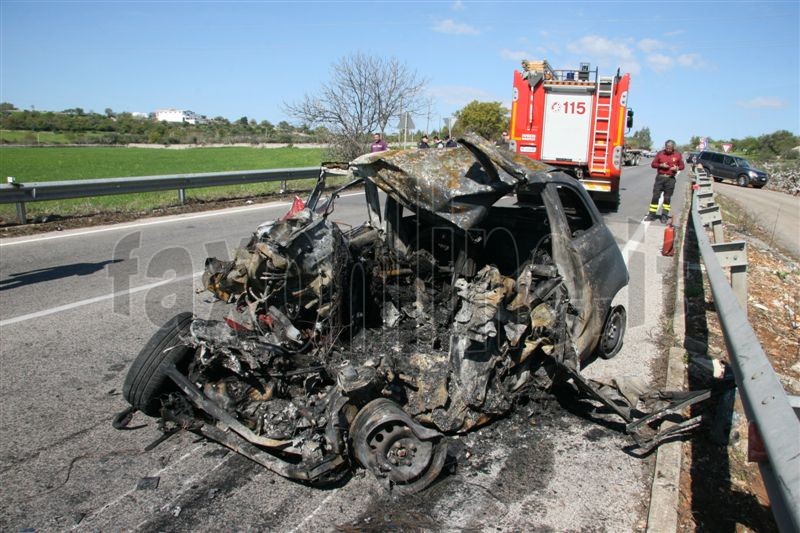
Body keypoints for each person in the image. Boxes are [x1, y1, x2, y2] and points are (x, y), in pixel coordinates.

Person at [646, 140, 684, 222]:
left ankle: (664, 215)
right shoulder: (660, 153)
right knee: (655, 196)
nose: (668, 149)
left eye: (670, 148)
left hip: (670, 179)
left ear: (673, 147)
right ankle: (651, 214)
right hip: (660, 178)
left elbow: (682, 166)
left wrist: (676, 168)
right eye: (667, 148)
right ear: (665, 147)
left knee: (667, 198)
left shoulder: (677, 154)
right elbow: (653, 164)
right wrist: (661, 165)